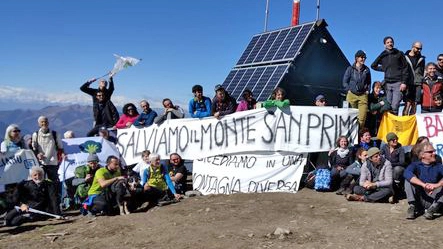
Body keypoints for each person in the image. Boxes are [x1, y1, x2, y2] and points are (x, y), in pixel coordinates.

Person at [404, 142, 443, 219]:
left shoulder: (438, 166)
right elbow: (407, 173)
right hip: (420, 198)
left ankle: (432, 209)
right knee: (408, 180)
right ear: (422, 155)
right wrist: (424, 185)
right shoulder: (415, 165)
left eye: (434, 151)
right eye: (430, 152)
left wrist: (436, 185)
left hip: (434, 198)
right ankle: (412, 206)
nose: (434, 153)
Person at [371, 36, 409, 115]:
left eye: (391, 42)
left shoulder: (399, 53)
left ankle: (394, 126)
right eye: (387, 42)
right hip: (387, 84)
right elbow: (373, 65)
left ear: (393, 43)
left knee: (395, 106)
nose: (390, 44)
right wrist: (384, 67)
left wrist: (404, 82)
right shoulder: (383, 56)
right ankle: (388, 125)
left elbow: (405, 68)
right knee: (387, 106)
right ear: (384, 45)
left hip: (398, 83)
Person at [31, 116, 65, 184]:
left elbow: (60, 147)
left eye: (45, 121)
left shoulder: (55, 134)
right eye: (42, 122)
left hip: (53, 162)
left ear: (48, 123)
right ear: (39, 124)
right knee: (40, 181)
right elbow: (34, 149)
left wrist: (62, 154)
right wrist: (38, 154)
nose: (44, 123)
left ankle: (54, 194)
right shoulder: (36, 135)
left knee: (54, 181)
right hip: (41, 163)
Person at [343, 50, 371, 128]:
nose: (363, 59)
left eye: (364, 57)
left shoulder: (367, 69)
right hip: (351, 95)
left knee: (362, 118)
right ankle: (350, 135)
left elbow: (369, 82)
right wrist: (348, 89)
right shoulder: (350, 69)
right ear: (356, 58)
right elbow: (345, 81)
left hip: (363, 96)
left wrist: (368, 90)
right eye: (361, 57)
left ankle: (358, 134)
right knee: (350, 116)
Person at [380, 132, 406, 202]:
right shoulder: (384, 147)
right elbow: (380, 156)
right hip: (387, 168)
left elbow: (402, 162)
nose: (395, 141)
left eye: (396, 139)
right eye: (393, 140)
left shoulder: (400, 148)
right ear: (389, 141)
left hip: (396, 168)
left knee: (398, 169)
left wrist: (390, 164)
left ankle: (396, 192)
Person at [403, 42, 425, 115]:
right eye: (418, 48)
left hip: (417, 83)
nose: (419, 50)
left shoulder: (422, 59)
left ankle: (411, 123)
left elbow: (422, 71)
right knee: (407, 104)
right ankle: (404, 122)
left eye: (420, 49)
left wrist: (421, 80)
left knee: (414, 104)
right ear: (413, 47)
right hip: (408, 83)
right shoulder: (404, 57)